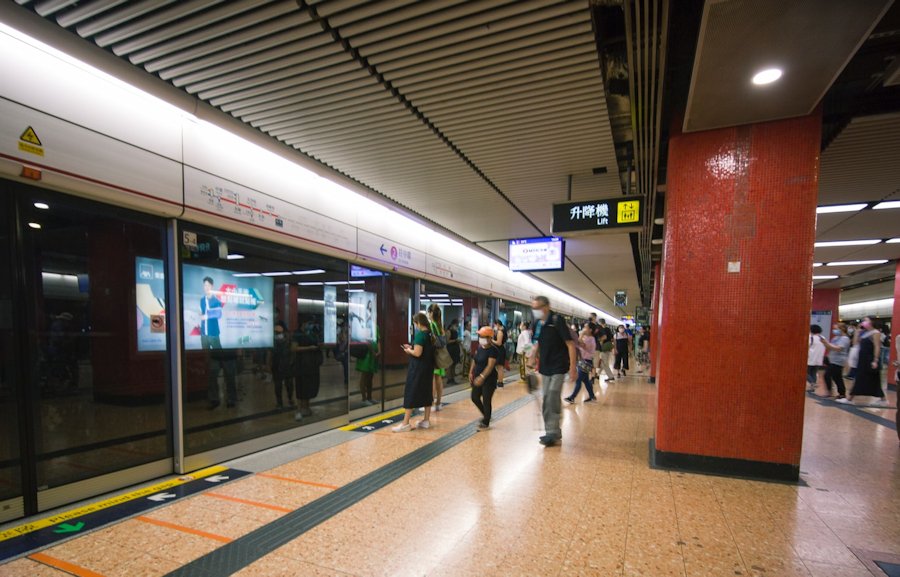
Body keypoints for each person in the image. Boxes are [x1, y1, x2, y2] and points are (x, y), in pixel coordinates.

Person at [531, 296, 576, 447]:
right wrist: (532, 357)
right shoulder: (537, 323)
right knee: (547, 398)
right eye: (534, 308)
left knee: (552, 395)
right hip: (545, 367)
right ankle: (553, 431)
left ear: (547, 306)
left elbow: (570, 345)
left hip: (559, 365)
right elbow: (537, 342)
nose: (535, 311)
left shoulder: (558, 321)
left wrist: (573, 368)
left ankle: (552, 431)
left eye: (538, 307)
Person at [394, 313, 435, 432]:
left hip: (417, 369)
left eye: (415, 323)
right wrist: (412, 346)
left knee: (411, 392)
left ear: (418, 323)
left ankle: (405, 423)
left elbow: (417, 353)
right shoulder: (430, 334)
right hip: (428, 369)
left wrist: (408, 350)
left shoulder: (420, 335)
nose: (415, 326)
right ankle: (426, 420)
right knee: (427, 392)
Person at [201, 276, 236, 409]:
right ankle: (214, 399)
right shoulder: (202, 300)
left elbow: (218, 314)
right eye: (204, 285)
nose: (206, 288)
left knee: (229, 376)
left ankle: (231, 399)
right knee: (212, 375)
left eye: (208, 285)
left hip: (224, 346)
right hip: (209, 340)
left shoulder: (217, 301)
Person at [846, 317, 887, 406]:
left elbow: (877, 347)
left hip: (869, 359)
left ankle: (850, 398)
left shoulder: (876, 333)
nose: (864, 322)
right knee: (873, 380)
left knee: (860, 378)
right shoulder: (864, 333)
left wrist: (875, 360)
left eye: (866, 320)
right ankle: (883, 399)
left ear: (872, 322)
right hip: (862, 359)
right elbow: (855, 343)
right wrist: (857, 331)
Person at [470, 326, 499, 430]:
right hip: (477, 376)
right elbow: (474, 360)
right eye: (480, 336)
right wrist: (471, 372)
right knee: (474, 397)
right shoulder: (479, 347)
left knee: (486, 400)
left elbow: (490, 366)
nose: (480, 338)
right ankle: (486, 415)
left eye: (483, 336)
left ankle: (486, 422)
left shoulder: (493, 350)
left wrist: (482, 377)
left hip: (489, 379)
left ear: (490, 338)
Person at [293, 318, 322, 419]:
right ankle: (299, 409)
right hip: (301, 364)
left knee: (309, 386)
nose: (310, 326)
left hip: (312, 364)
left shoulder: (312, 334)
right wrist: (309, 348)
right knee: (301, 386)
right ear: (303, 323)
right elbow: (294, 348)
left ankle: (307, 407)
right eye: (308, 323)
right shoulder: (297, 334)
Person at [565, 325, 597, 404]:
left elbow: (581, 344)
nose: (584, 329)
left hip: (586, 361)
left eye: (585, 327)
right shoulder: (588, 338)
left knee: (578, 379)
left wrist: (581, 334)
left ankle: (572, 397)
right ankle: (592, 397)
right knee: (585, 380)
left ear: (590, 330)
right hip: (583, 360)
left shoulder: (591, 339)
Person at [823, 323, 851, 402]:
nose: (834, 330)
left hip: (838, 361)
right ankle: (841, 393)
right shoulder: (836, 338)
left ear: (842, 329)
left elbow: (839, 348)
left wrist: (827, 343)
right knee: (837, 377)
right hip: (832, 359)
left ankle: (830, 392)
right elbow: (830, 347)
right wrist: (825, 343)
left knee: (827, 375)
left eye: (836, 328)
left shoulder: (845, 339)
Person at [355, 326, 380, 406]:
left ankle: (369, 397)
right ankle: (364, 398)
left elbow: (378, 339)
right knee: (364, 376)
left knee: (370, 376)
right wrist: (373, 352)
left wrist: (379, 351)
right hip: (366, 355)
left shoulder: (376, 327)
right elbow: (366, 340)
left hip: (374, 355)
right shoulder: (364, 326)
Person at [428, 304, 446, 410]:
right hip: (440, 356)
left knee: (432, 381)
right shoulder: (440, 326)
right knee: (439, 380)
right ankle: (438, 403)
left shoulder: (432, 325)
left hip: (434, 356)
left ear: (431, 313)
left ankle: (431, 404)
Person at [272, 321, 294, 409]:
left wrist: (292, 361)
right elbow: (271, 352)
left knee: (288, 384)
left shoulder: (288, 338)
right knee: (278, 384)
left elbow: (292, 351)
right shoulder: (272, 339)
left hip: (286, 363)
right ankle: (280, 401)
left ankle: (288, 399)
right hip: (277, 363)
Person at [807, 324, 826, 393]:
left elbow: (807, 347)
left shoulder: (810, 337)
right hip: (819, 359)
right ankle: (812, 389)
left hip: (810, 358)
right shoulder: (822, 337)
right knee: (813, 373)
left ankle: (813, 383)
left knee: (805, 373)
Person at [596, 318, 615, 382]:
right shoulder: (608, 329)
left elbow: (603, 338)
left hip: (603, 347)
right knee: (604, 362)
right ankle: (597, 374)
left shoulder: (602, 330)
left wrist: (599, 341)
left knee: (605, 363)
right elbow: (611, 338)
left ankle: (611, 376)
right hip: (608, 346)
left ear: (600, 323)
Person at [492, 319, 507, 387]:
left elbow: (499, 343)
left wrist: (491, 340)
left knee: (499, 367)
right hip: (499, 350)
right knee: (499, 367)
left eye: (494, 325)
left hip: (499, 350)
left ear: (497, 324)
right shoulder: (502, 330)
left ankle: (500, 382)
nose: (494, 326)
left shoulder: (500, 332)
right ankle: (499, 381)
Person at [446, 318, 461, 385]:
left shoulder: (456, 331)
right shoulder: (449, 331)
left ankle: (453, 378)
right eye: (457, 324)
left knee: (454, 364)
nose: (457, 326)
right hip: (451, 349)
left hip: (455, 349)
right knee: (450, 364)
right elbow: (447, 341)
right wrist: (455, 340)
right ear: (453, 324)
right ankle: (449, 378)